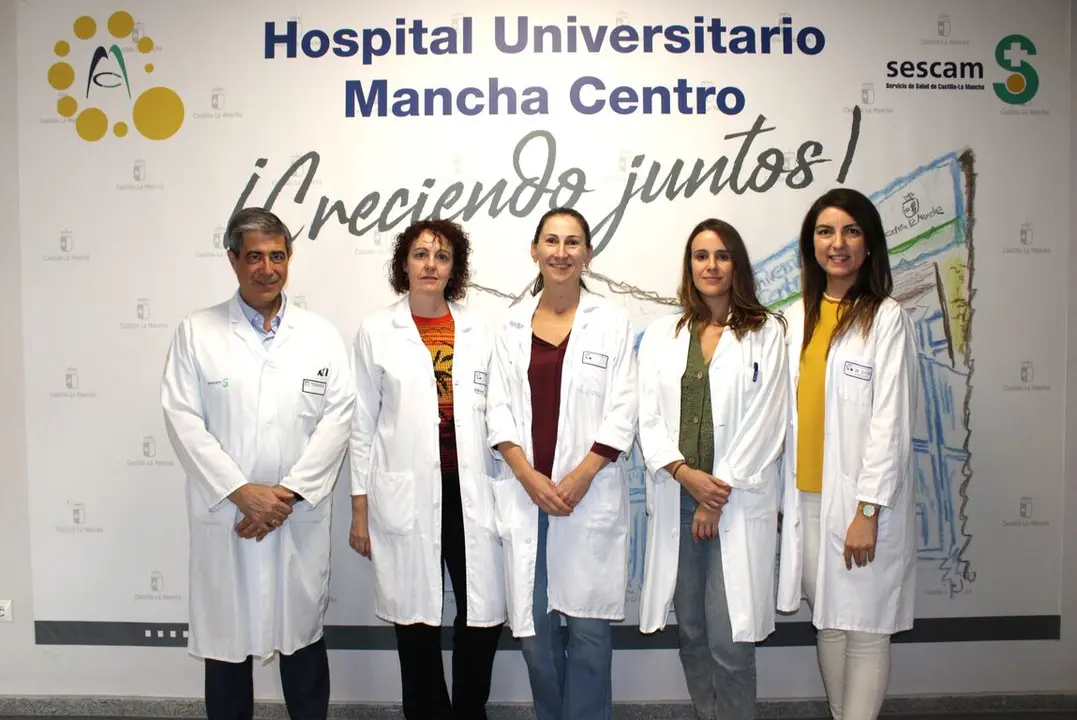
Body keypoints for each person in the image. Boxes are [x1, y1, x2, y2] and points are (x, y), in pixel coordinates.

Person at [161, 207, 355, 720]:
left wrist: (285, 496)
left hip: (295, 516)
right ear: (233, 260)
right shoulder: (197, 332)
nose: (267, 269)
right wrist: (242, 493)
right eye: (254, 257)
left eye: (277, 256)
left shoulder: (320, 335)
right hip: (230, 513)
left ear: (289, 258)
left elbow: (339, 417)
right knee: (227, 647)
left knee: (302, 641)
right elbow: (182, 419)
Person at [348, 219, 506, 720]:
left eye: (442, 256)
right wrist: (359, 508)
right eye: (420, 254)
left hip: (471, 488)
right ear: (404, 263)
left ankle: (468, 710)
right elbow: (361, 425)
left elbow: (501, 413)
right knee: (413, 615)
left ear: (455, 268)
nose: (430, 265)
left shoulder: (481, 330)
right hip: (407, 490)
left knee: (482, 612)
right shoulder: (377, 331)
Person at [485, 207, 639, 720]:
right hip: (527, 498)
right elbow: (497, 409)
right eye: (551, 241)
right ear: (535, 250)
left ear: (588, 254)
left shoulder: (612, 323)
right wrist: (527, 476)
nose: (561, 252)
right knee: (537, 639)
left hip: (586, 497)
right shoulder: (510, 325)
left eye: (573, 242)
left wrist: (582, 475)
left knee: (590, 637)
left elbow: (624, 407)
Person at [776, 188, 920, 720]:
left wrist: (868, 509)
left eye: (851, 231)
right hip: (806, 499)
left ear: (869, 244)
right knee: (830, 622)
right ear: (811, 244)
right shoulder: (792, 320)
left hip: (862, 505)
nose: (837, 244)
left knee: (865, 627)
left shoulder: (886, 319)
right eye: (825, 232)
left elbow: (891, 422)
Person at [637, 219, 789, 720]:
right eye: (701, 256)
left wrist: (713, 494)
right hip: (678, 500)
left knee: (730, 640)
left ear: (737, 264)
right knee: (692, 632)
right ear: (690, 266)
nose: (711, 265)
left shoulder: (766, 332)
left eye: (722, 255)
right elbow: (647, 416)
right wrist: (683, 473)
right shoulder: (663, 335)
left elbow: (768, 421)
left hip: (734, 503)